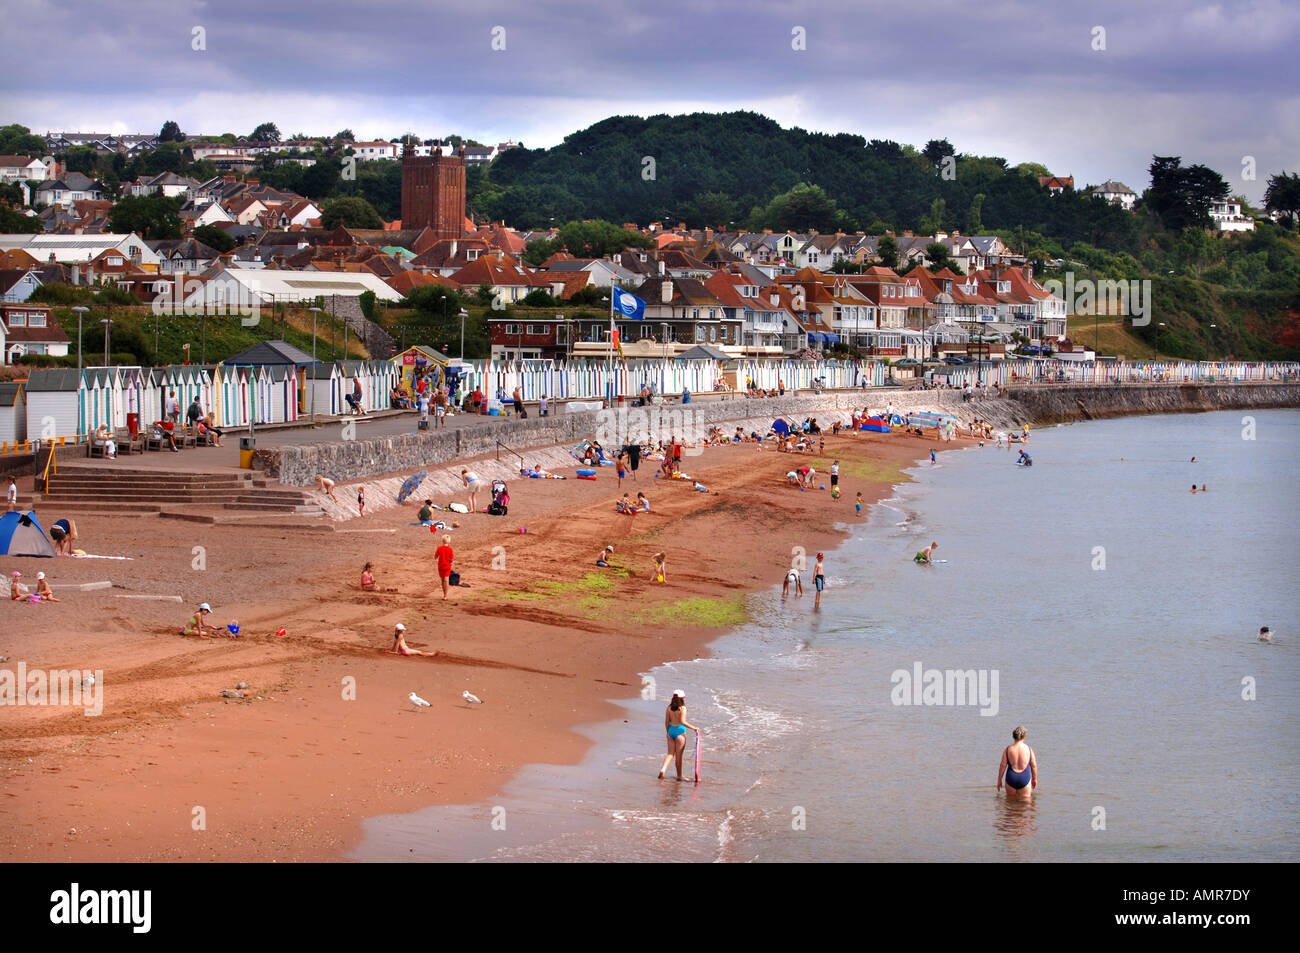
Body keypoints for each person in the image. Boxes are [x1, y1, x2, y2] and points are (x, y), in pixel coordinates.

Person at [658, 691, 699, 781]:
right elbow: (682, 722)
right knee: (679, 756)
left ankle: (663, 769)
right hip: (680, 733)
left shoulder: (669, 708)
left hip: (671, 731)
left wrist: (668, 732)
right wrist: (694, 728)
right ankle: (679, 776)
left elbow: (666, 722)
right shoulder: (682, 708)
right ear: (682, 699)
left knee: (670, 754)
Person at [997, 726, 1038, 798]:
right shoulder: (1029, 749)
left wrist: (999, 780)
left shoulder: (1008, 749)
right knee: (1026, 804)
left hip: (1011, 778)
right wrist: (1034, 779)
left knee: (1010, 802)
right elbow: (1034, 766)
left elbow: (1002, 765)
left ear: (1013, 736)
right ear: (1024, 736)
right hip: (1024, 778)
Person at [434, 535, 455, 600]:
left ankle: (445, 595)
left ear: (442, 541)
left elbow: (435, 557)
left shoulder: (439, 548)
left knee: (443, 580)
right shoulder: (449, 549)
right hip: (446, 566)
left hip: (441, 567)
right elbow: (451, 559)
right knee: (446, 580)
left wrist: (438, 551)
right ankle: (445, 595)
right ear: (449, 542)